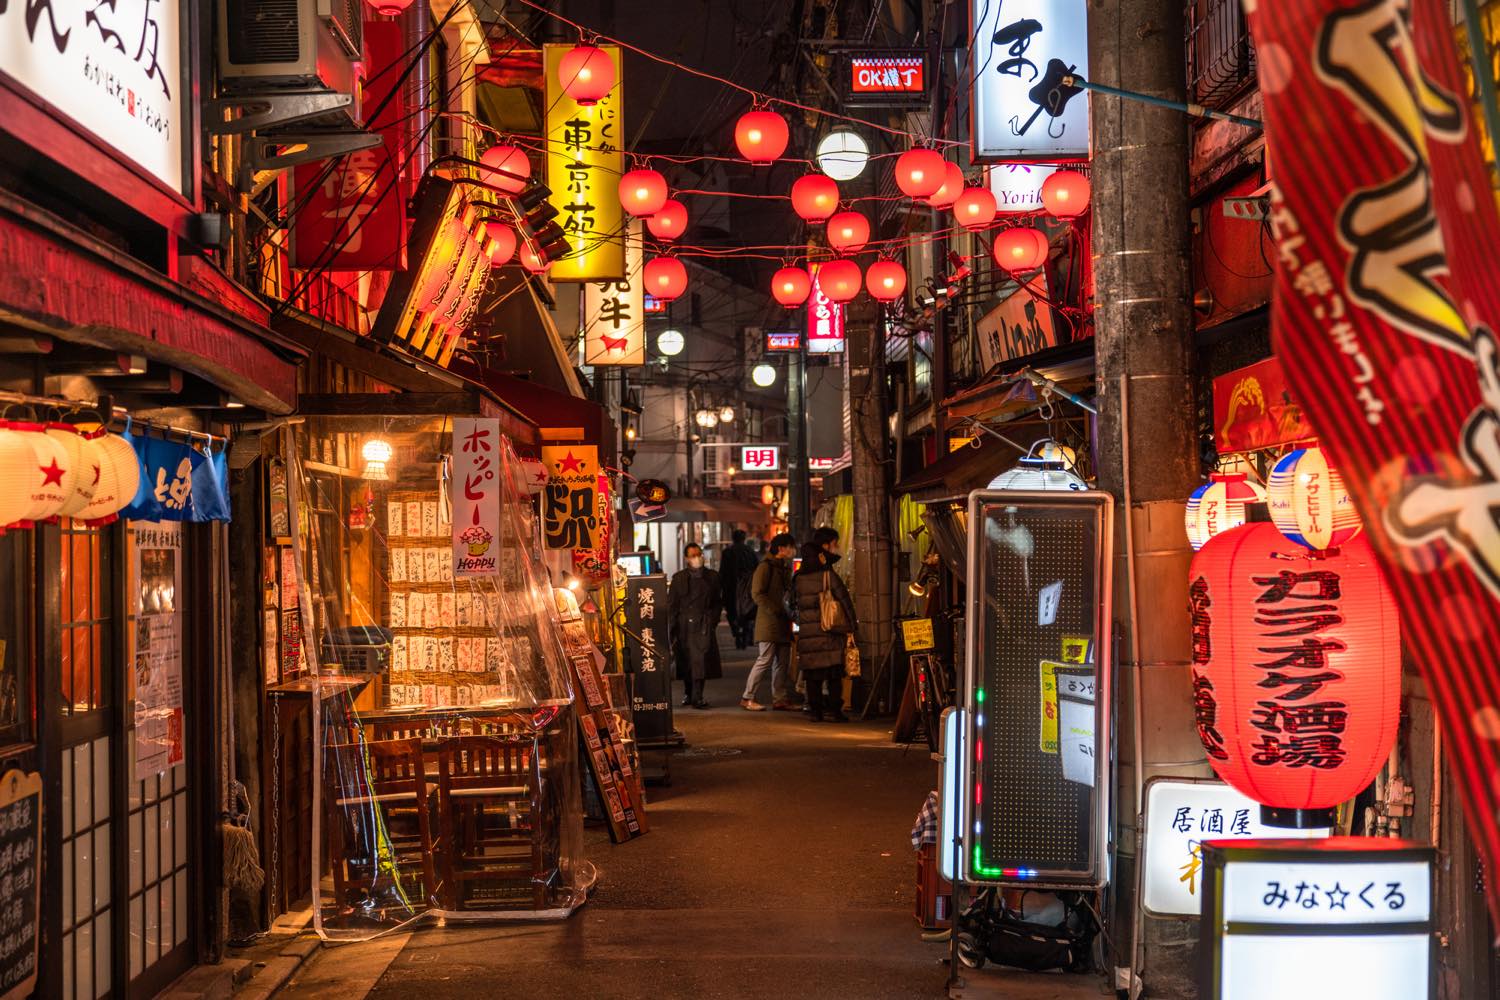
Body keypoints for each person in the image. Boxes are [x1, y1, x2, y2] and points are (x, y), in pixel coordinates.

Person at [792, 527, 856, 722]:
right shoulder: (827, 574)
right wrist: (852, 625)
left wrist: (800, 621)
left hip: (808, 634)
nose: (836, 548)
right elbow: (844, 600)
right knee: (834, 674)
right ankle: (835, 711)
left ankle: (816, 711)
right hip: (830, 631)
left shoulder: (799, 576)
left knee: (812, 677)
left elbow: (789, 602)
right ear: (825, 547)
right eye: (835, 544)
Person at [740, 532, 797, 712]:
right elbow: (757, 594)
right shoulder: (765, 567)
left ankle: (779, 698)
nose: (792, 550)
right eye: (790, 546)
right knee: (765, 659)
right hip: (769, 622)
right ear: (781, 548)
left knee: (782, 662)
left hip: (782, 621)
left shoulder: (783, 567)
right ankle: (747, 697)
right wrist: (775, 609)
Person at [668, 542, 722, 709]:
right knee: (685, 661)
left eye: (699, 554)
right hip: (683, 625)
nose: (697, 558)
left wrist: (712, 620)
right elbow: (672, 605)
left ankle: (698, 696)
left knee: (700, 661)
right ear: (686, 558)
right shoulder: (678, 578)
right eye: (693, 555)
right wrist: (671, 627)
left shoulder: (712, 576)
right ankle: (688, 693)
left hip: (703, 624)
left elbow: (717, 602)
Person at [719, 529, 759, 649]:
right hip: (747, 588)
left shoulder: (727, 552)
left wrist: (721, 587)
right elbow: (756, 569)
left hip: (730, 588)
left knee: (732, 612)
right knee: (747, 612)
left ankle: (737, 633)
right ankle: (746, 635)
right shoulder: (750, 552)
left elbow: (723, 572)